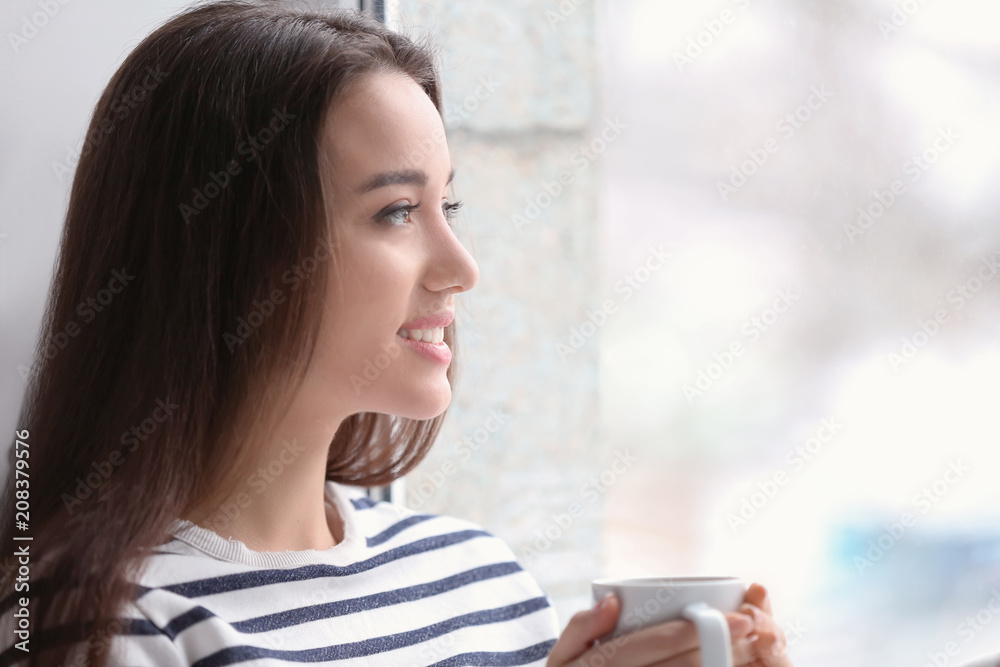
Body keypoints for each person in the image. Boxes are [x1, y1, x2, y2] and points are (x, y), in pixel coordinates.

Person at [0, 1, 794, 665]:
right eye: (396, 211)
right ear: (234, 252)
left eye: (447, 206)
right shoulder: (104, 624)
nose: (461, 267)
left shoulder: (480, 577)